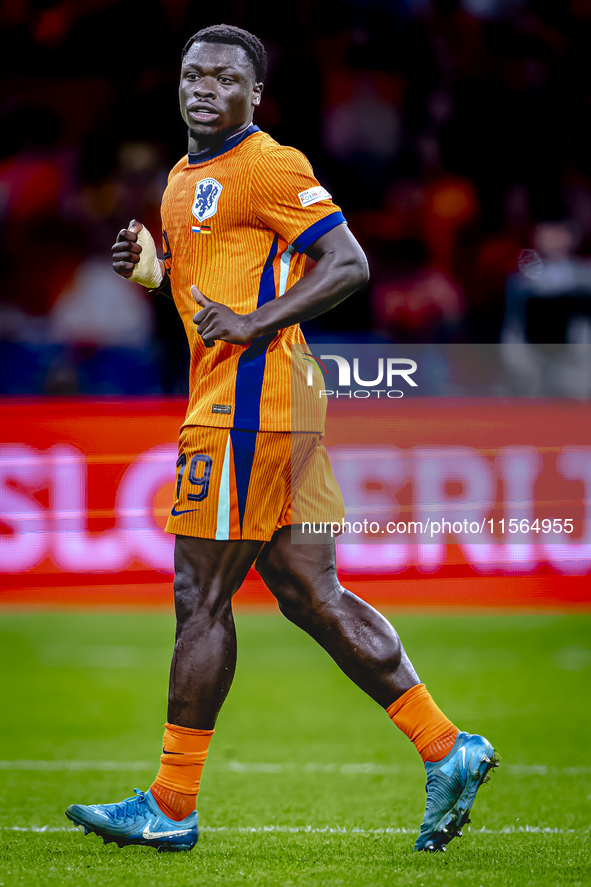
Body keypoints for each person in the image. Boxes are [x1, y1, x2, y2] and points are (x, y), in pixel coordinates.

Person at [65, 24, 498, 855]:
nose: (202, 87)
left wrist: (257, 323)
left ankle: (172, 800)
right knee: (310, 593)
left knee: (201, 596)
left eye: (224, 77)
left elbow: (347, 264)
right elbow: (207, 297)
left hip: (248, 404)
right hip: (263, 402)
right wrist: (154, 274)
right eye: (192, 74)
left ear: (253, 94)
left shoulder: (268, 162)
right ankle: (449, 747)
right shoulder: (184, 177)